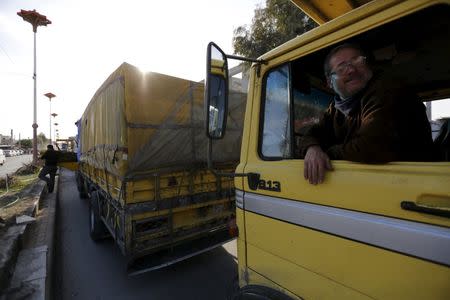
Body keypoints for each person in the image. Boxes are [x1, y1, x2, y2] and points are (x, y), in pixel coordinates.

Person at [299, 43, 433, 185]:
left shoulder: (388, 89)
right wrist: (312, 148)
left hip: (415, 184)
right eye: (341, 67)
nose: (351, 69)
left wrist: (326, 154)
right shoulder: (336, 108)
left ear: (368, 67)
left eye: (358, 61)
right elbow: (311, 134)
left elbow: (372, 146)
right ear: (329, 82)